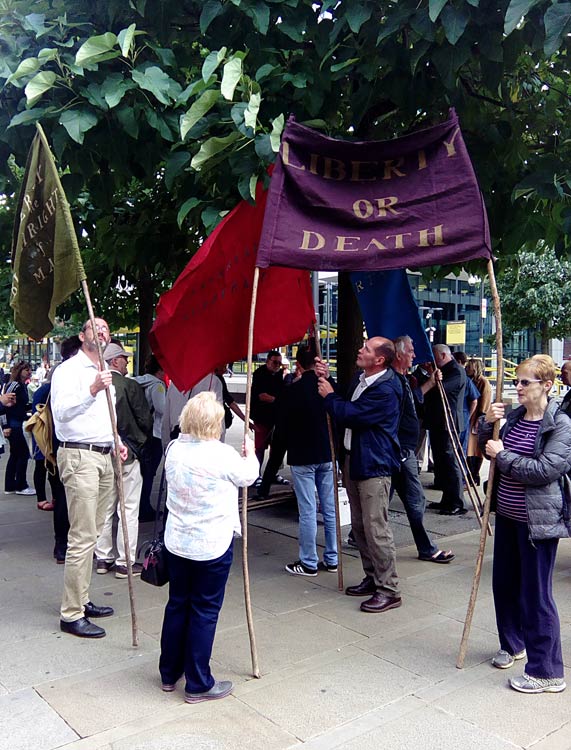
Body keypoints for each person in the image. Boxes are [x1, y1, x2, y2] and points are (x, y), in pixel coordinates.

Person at [480, 354, 571, 694]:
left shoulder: (560, 425)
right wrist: (486, 421)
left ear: (546, 385)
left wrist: (502, 455)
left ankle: (547, 672)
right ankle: (513, 643)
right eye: (516, 381)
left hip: (538, 525)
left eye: (524, 382)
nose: (516, 387)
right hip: (508, 518)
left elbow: (545, 470)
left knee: (537, 596)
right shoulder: (515, 417)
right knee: (504, 586)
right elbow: (488, 443)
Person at [159, 392, 259, 703]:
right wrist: (251, 450)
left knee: (177, 603)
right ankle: (198, 683)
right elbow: (249, 476)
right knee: (204, 610)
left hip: (177, 541)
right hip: (211, 544)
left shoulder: (174, 448)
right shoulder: (222, 455)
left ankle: (169, 672)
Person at [51, 318, 127, 638]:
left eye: (106, 329)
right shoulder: (68, 371)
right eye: (94, 327)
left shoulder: (107, 371)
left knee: (94, 534)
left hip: (103, 454)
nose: (101, 331)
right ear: (83, 336)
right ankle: (71, 613)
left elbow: (104, 418)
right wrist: (91, 390)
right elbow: (62, 414)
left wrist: (117, 440)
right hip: (79, 455)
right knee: (82, 536)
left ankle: (82, 599)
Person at [317, 337, 403, 614]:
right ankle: (373, 577)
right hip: (355, 461)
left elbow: (352, 414)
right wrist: (329, 381)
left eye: (366, 348)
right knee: (360, 526)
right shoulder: (361, 378)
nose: (359, 349)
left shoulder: (387, 389)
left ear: (379, 360)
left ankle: (389, 589)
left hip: (374, 465)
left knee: (376, 528)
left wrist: (329, 396)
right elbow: (346, 397)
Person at [392, 336, 454, 564]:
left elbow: (414, 400)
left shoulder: (404, 379)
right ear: (399, 354)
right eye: (410, 350)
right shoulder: (393, 381)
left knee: (402, 500)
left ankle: (357, 536)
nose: (414, 355)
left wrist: (430, 382)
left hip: (402, 451)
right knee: (414, 499)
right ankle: (426, 548)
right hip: (400, 452)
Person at [95, 343, 153, 579]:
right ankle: (125, 561)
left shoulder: (96, 386)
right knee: (128, 508)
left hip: (102, 450)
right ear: (115, 361)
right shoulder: (129, 386)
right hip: (129, 451)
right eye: (124, 359)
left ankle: (102, 557)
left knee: (106, 507)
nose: (127, 362)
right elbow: (145, 420)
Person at [282, 345, 338, 576]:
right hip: (326, 452)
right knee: (329, 508)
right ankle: (333, 558)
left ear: (299, 365)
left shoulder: (293, 391)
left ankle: (308, 561)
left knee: (307, 510)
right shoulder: (328, 386)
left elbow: (283, 423)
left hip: (302, 454)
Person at [424, 344, 467, 515]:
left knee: (450, 462)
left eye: (434, 357)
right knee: (441, 463)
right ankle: (447, 499)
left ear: (442, 355)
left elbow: (439, 391)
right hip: (438, 422)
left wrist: (431, 380)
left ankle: (457, 501)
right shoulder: (445, 370)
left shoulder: (456, 371)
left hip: (449, 423)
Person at [134, 354, 167, 521]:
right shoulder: (158, 386)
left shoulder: (139, 381)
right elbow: (162, 409)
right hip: (154, 433)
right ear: (160, 369)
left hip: (141, 433)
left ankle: (140, 506)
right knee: (149, 473)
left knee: (143, 472)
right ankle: (144, 508)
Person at [250, 351, 289, 491]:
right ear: (268, 361)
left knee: (276, 448)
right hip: (262, 416)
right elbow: (261, 396)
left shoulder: (279, 375)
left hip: (276, 417)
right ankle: (255, 475)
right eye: (275, 362)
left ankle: (272, 473)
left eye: (279, 363)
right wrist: (278, 401)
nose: (277, 366)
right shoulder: (260, 374)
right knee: (260, 447)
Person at [3, 361, 35, 496]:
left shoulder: (21, 385)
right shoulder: (15, 385)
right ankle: (20, 485)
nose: (29, 372)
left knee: (15, 454)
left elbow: (19, 405)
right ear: (19, 371)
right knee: (22, 454)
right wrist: (5, 425)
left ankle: (10, 485)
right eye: (26, 370)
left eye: (30, 370)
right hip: (13, 423)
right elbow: (4, 405)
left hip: (16, 421)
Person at [466, 358, 492, 485]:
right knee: (470, 448)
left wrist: (479, 419)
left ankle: (474, 475)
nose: (466, 368)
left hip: (477, 418)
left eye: (469, 366)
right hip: (472, 418)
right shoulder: (472, 380)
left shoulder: (483, 382)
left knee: (474, 448)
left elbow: (485, 402)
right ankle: (471, 475)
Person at [453, 351, 480, 455]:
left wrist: (469, 415)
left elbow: (474, 400)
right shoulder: (464, 378)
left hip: (463, 415)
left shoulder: (465, 379)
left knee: (460, 447)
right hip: (461, 415)